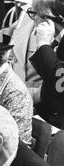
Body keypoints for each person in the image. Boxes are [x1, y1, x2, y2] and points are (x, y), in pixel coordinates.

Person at [28, 0, 64, 128]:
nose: (33, 20)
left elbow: (61, 82)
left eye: (35, 14)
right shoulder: (59, 41)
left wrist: (43, 45)